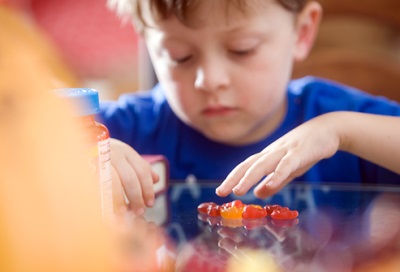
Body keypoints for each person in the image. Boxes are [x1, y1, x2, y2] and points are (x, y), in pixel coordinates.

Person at [99, 0, 400, 214]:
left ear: (302, 31)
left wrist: (343, 131)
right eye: (180, 56)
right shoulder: (132, 126)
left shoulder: (338, 120)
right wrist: (90, 153)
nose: (210, 80)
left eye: (242, 49)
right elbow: (53, 132)